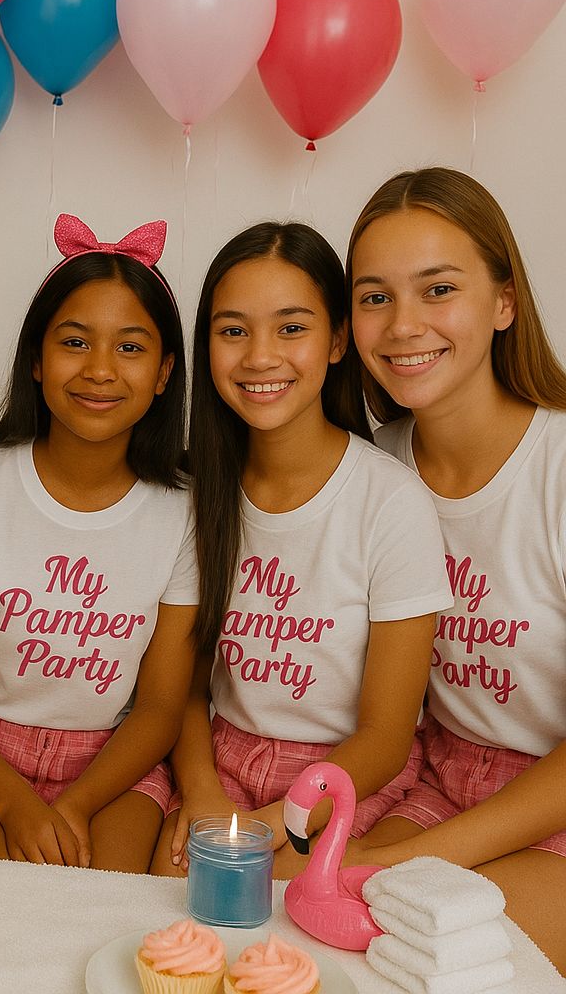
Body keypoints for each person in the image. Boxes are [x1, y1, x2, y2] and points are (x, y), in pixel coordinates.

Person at [152, 222, 450, 879]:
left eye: (291, 328)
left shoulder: (390, 501)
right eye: (233, 330)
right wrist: (201, 791)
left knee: (278, 913)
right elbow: (187, 690)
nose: (260, 357)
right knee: (172, 908)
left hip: (345, 777)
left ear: (338, 339)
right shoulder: (198, 492)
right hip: (219, 764)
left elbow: (386, 737)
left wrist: (275, 820)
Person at [0, 214, 197, 872]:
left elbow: (158, 707)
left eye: (130, 347)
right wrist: (14, 804)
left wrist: (77, 802)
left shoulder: (182, 513)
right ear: (36, 360)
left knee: (103, 909)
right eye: (75, 342)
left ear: (163, 372)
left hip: (115, 762)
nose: (100, 369)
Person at [346, 167, 566, 970]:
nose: (404, 326)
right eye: (374, 297)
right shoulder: (371, 471)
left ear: (505, 301)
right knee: (329, 936)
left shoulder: (557, 465)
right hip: (434, 779)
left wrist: (412, 861)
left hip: (549, 797)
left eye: (438, 290)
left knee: (462, 964)